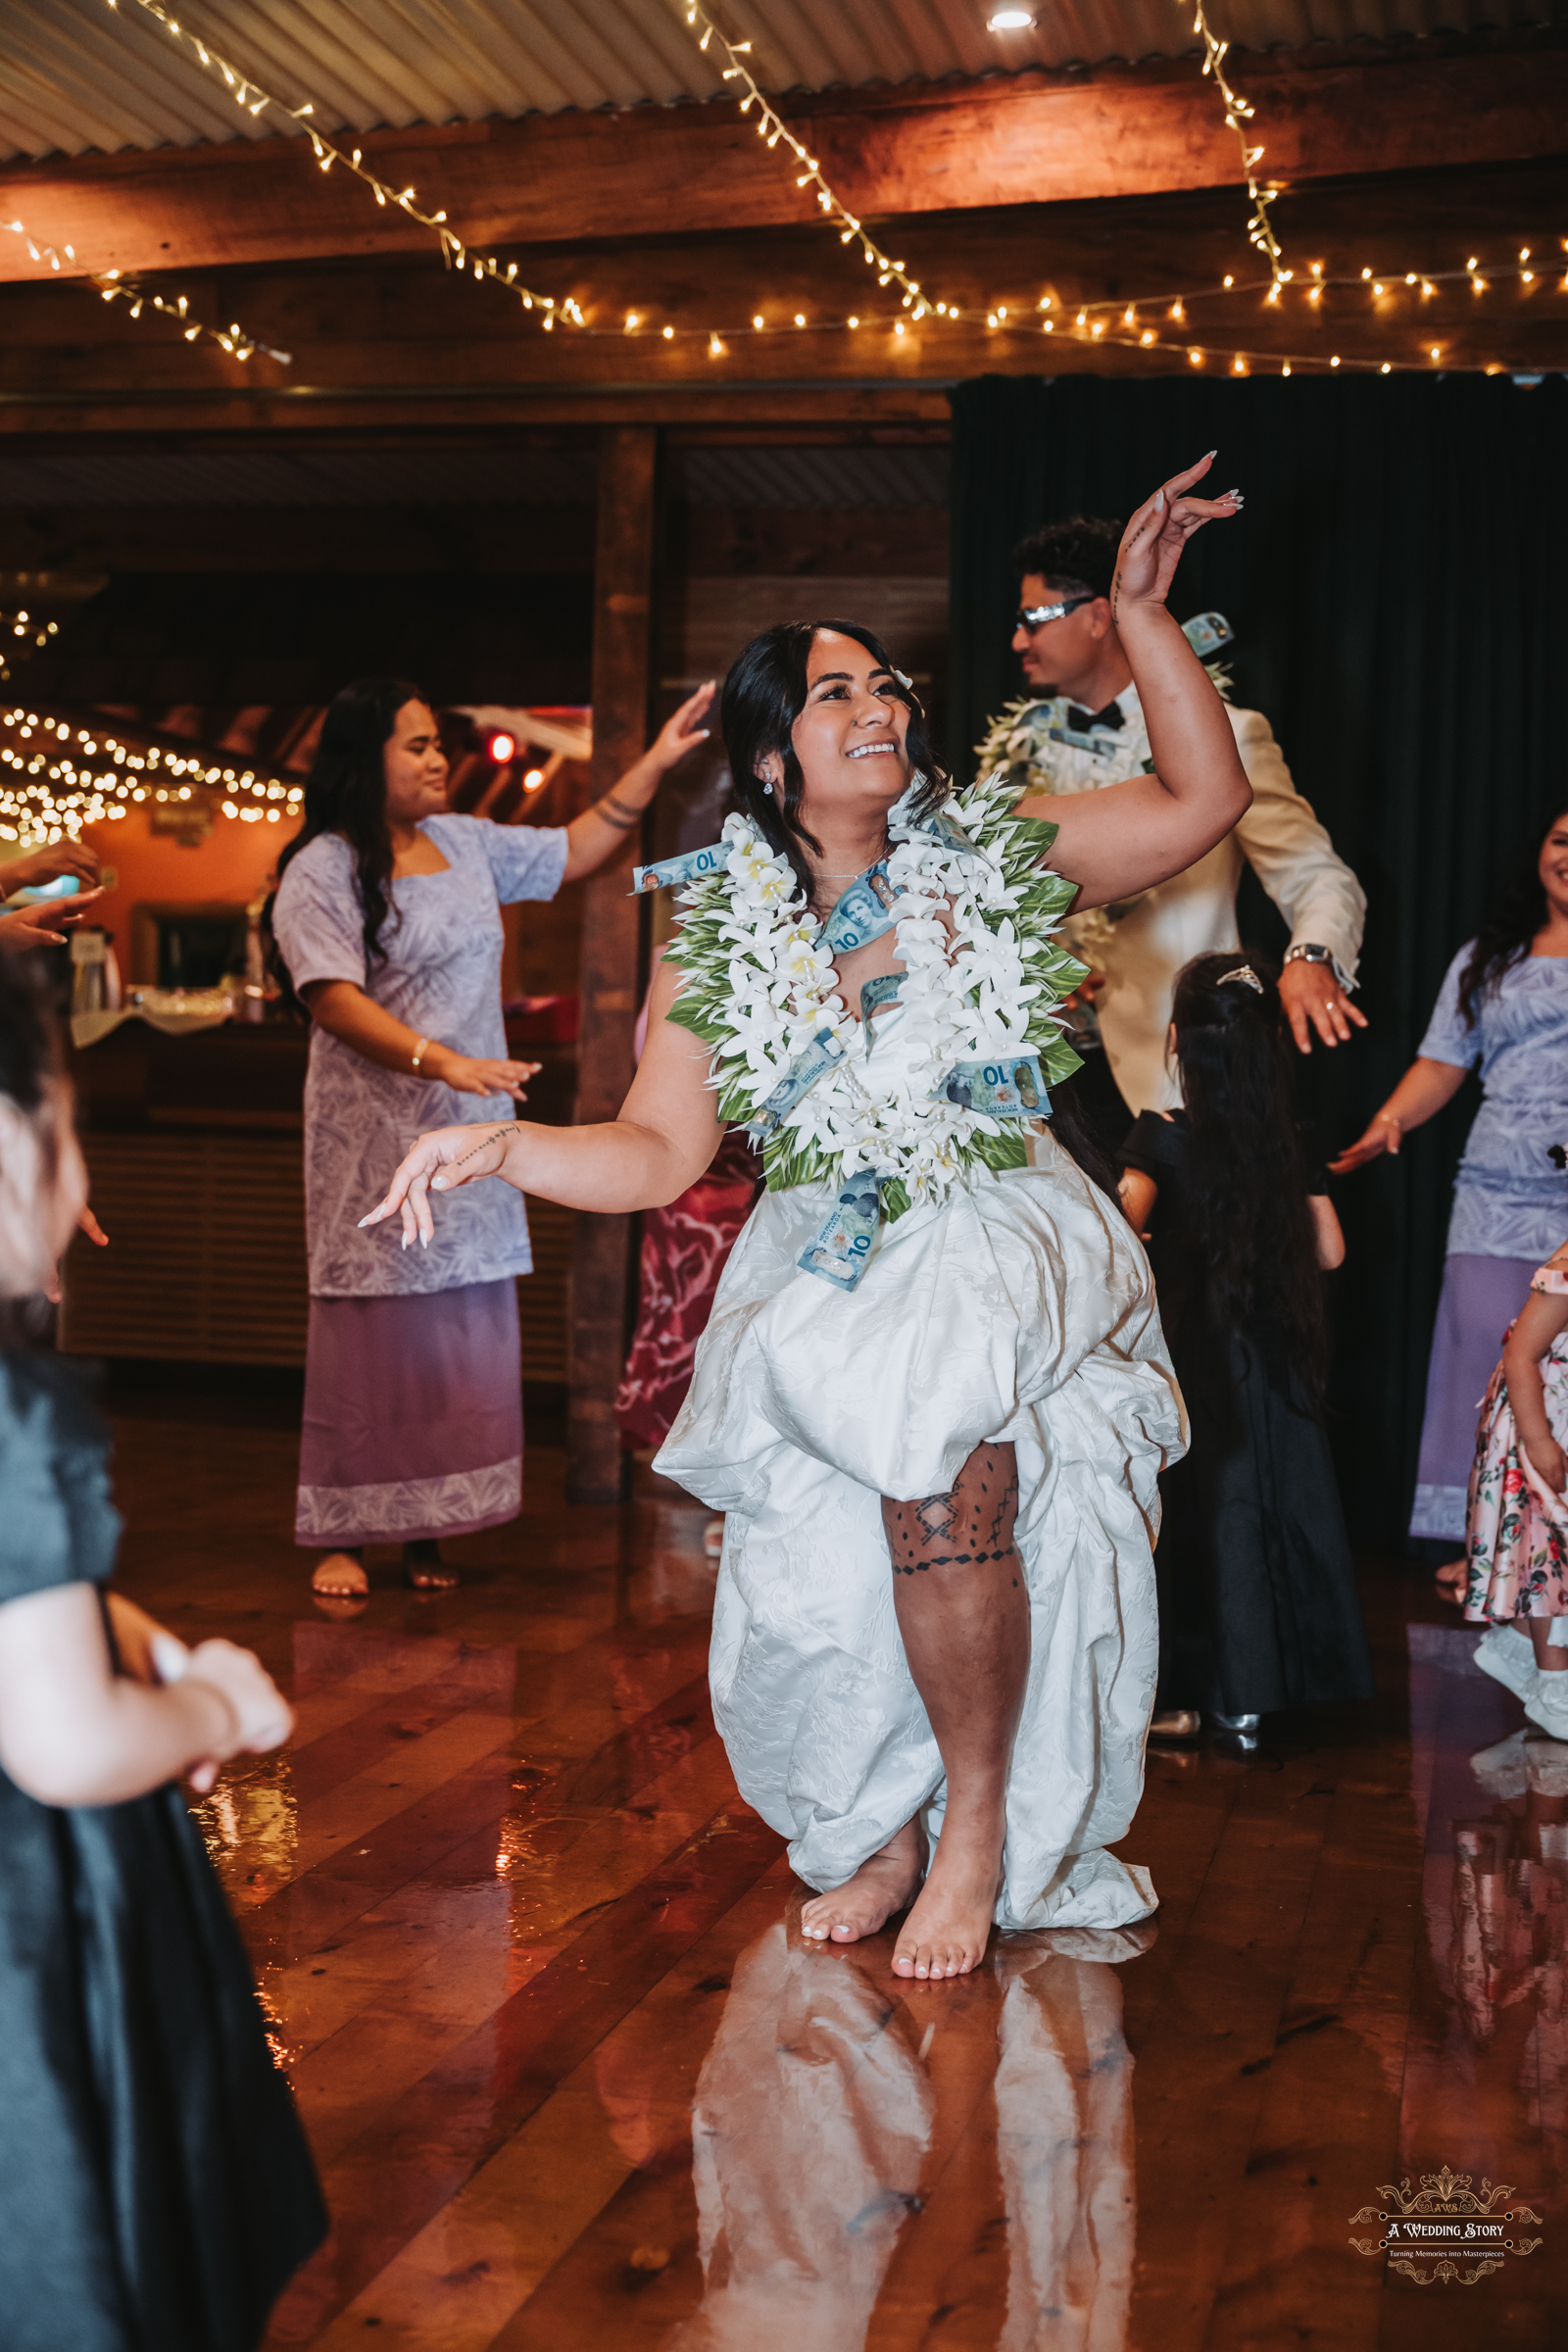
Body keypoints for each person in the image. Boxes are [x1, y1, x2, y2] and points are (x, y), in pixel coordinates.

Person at [362, 455, 1250, 1982]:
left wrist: (1150, 614)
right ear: (774, 757)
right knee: (832, 1567)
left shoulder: (994, 845)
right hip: (829, 1248)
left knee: (944, 1470)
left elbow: (1201, 802)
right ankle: (887, 1821)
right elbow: (652, 1154)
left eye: (886, 684)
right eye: (839, 693)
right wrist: (498, 1149)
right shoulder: (722, 932)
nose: (882, 706)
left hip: (988, 1215)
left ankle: (976, 1826)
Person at [0, 951, 325, 2351]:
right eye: (71, 1134)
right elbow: (64, 1746)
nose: (84, 1189)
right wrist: (198, 1706)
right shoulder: (12, 1412)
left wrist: (124, 1630)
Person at [269, 675, 713, 1603]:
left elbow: (580, 846)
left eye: (439, 744)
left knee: (457, 1322)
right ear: (365, 758)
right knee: (376, 1327)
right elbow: (332, 997)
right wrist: (441, 1061)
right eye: (417, 745)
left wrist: (661, 758)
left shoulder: (468, 842)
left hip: (473, 1121)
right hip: (373, 1130)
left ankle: (429, 1527)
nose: (439, 760)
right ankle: (345, 1532)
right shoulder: (322, 866)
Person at [976, 511, 1367, 1126]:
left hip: (1179, 1063)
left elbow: (1316, 875)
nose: (1018, 640)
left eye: (1033, 619)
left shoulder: (1225, 741)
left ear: (1100, 616)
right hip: (1038, 1066)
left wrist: (1312, 957)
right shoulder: (1014, 752)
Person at [1119, 954, 1373, 1743]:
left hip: (1194, 1360)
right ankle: (1261, 1696)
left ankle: (1193, 1694)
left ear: (1175, 1041)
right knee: (1280, 1511)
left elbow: (1118, 1238)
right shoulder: (1290, 1140)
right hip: (1278, 1357)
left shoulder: (1158, 1137)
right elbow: (1330, 1253)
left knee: (1208, 1516)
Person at [1332, 809, 1568, 1588]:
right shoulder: (1488, 957)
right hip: (1495, 1189)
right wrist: (1389, 1120)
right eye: (1562, 840)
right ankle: (1490, 1546)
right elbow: (1442, 1059)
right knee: (1486, 1360)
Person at [1464, 1202, 1568, 1739]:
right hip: (1542, 1421)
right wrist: (1541, 1441)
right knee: (1553, 1556)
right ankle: (1556, 1688)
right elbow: (1523, 1353)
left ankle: (1516, 1650)